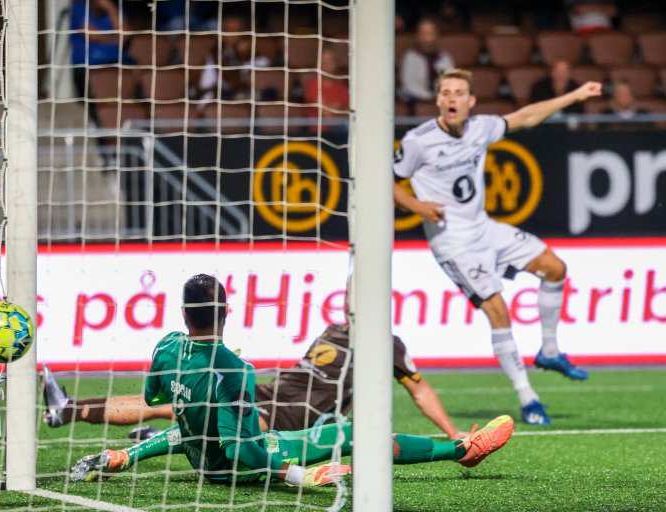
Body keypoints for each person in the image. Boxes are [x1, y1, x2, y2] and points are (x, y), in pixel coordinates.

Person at [68, 274, 514, 485]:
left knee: (192, 415)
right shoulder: (235, 369)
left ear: (182, 314)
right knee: (359, 433)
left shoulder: (166, 346)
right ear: (227, 312)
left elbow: (165, 406)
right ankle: (461, 450)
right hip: (247, 453)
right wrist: (300, 475)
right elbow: (242, 450)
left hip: (236, 436)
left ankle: (80, 420)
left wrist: (124, 456)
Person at [392, 68, 601, 426]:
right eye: (446, 93)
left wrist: (574, 96)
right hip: (453, 243)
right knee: (499, 309)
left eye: (459, 93)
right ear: (438, 100)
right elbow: (386, 181)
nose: (452, 98)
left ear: (471, 101)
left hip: (484, 228)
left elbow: (526, 116)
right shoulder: (418, 140)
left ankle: (549, 351)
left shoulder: (482, 127)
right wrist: (416, 206)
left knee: (555, 268)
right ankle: (528, 396)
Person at [43, 292, 468, 440]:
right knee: (179, 399)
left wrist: (453, 432)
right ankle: (71, 409)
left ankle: (75, 412)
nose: (350, 303)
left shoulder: (384, 341)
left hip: (293, 417)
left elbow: (420, 389)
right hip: (269, 394)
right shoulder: (333, 329)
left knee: (177, 406)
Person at [399, 18, 455, 110]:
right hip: (414, 103)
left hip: (441, 103)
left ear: (437, 35)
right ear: (418, 36)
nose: (427, 39)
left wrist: (438, 96)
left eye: (430, 33)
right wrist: (429, 97)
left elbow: (451, 82)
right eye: (423, 34)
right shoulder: (410, 57)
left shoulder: (445, 58)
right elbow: (408, 86)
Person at [302, 46, 350, 133]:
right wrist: (339, 107)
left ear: (336, 63)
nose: (326, 65)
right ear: (317, 64)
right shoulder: (313, 85)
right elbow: (326, 114)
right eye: (323, 61)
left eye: (330, 61)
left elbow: (349, 113)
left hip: (342, 133)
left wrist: (333, 108)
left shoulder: (342, 87)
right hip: (319, 134)